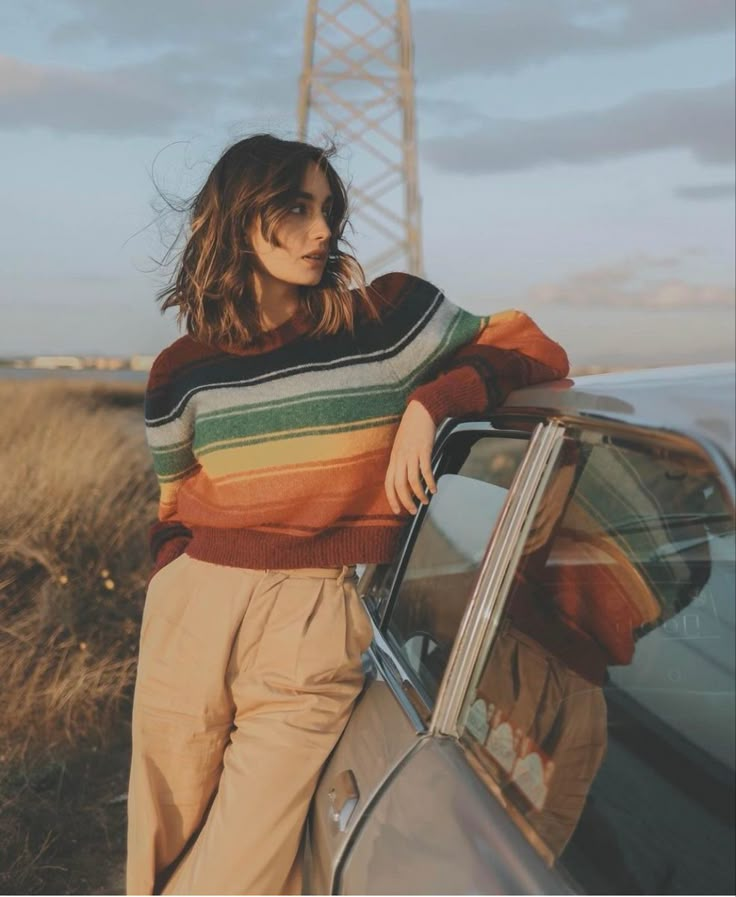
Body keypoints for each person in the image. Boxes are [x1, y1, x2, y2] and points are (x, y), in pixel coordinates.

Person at [126, 132, 570, 895]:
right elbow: (173, 504)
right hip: (193, 610)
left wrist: (433, 403)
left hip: (314, 617)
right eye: (296, 208)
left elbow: (532, 345)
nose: (324, 230)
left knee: (238, 866)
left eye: (329, 208)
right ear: (239, 218)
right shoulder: (180, 370)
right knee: (162, 838)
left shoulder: (386, 319)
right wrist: (173, 581)